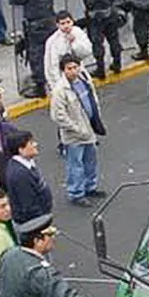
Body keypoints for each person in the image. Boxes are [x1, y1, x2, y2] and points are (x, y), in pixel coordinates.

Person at [64, 0, 130, 79]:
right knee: (114, 39)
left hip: (93, 15)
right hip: (110, 11)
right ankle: (117, 64)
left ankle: (100, 69)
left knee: (97, 42)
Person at [50, 55, 106, 206]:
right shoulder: (60, 90)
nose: (74, 71)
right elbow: (57, 115)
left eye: (76, 67)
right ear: (63, 70)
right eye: (69, 68)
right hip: (74, 135)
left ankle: (90, 187)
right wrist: (76, 128)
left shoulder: (83, 81)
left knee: (90, 161)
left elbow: (92, 100)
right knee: (75, 165)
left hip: (89, 130)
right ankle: (76, 193)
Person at [10, 0, 57, 98]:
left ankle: (40, 86)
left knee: (36, 54)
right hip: (49, 20)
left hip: (36, 24)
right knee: (50, 53)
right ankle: (52, 79)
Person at [4, 131, 52, 225]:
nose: (35, 144)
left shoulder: (26, 163)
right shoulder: (20, 175)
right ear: (21, 150)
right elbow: (29, 207)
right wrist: (43, 223)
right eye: (30, 143)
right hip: (34, 222)